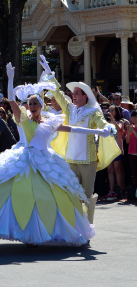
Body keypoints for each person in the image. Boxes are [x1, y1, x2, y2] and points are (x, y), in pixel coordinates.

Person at [0, 62, 96, 246]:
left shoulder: (50, 121)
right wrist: (10, 79)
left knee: (51, 195)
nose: (31, 106)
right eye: (29, 103)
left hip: (46, 160)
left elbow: (72, 129)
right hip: (23, 157)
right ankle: (26, 232)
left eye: (35, 103)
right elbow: (11, 100)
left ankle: (49, 231)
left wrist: (100, 133)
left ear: (41, 106)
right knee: (15, 191)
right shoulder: (23, 118)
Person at [39, 55, 120, 224]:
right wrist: (50, 74)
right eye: (73, 93)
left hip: (88, 160)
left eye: (77, 93)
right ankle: (74, 225)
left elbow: (101, 122)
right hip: (70, 159)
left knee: (87, 195)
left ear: (85, 96)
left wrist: (107, 128)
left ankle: (88, 226)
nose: (73, 96)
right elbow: (59, 94)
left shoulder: (93, 112)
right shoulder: (70, 110)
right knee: (71, 192)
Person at [106, 106, 124, 200]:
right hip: (108, 150)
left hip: (117, 150)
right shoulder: (105, 122)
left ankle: (119, 190)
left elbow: (118, 129)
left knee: (117, 170)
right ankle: (111, 191)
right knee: (110, 171)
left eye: (112, 110)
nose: (110, 112)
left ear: (116, 112)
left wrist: (112, 119)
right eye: (109, 110)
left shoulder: (120, 121)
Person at [126, 111, 137, 187]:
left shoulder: (132, 128)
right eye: (133, 117)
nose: (134, 119)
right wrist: (129, 131)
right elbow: (127, 141)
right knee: (134, 174)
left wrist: (133, 130)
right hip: (131, 153)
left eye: (135, 117)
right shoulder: (130, 127)